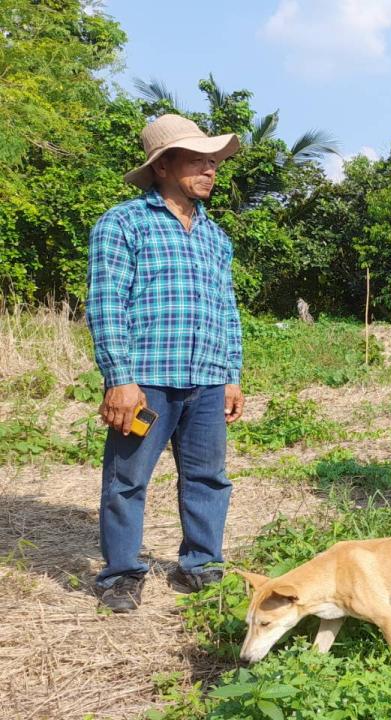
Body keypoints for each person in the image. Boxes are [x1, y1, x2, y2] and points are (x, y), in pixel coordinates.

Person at [86, 114, 246, 612]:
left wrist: (230, 375)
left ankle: (201, 563)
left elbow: (226, 307)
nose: (211, 168)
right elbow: (107, 302)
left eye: (214, 161)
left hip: (205, 380)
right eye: (198, 159)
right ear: (161, 166)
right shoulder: (123, 223)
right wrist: (120, 378)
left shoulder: (215, 237)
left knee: (208, 477)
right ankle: (121, 574)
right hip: (147, 383)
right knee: (127, 480)